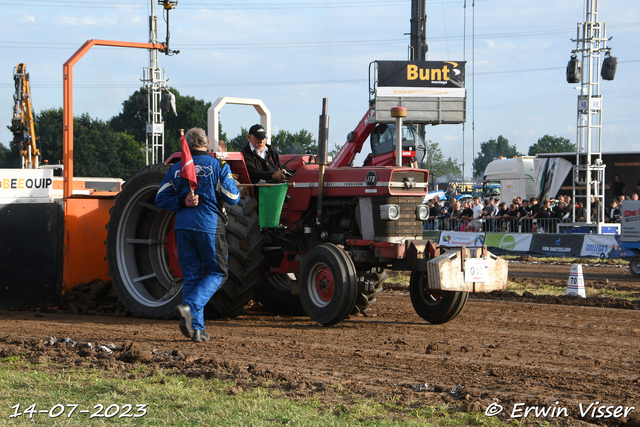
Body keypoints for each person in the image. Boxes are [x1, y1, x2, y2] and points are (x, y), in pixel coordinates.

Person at [155, 127, 240, 343]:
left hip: (183, 228)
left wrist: (181, 202)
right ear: (207, 143)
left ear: (189, 146)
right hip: (210, 228)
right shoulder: (219, 166)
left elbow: (160, 198)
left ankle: (197, 330)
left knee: (192, 276)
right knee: (217, 273)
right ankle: (190, 307)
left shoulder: (176, 168)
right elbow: (232, 197)